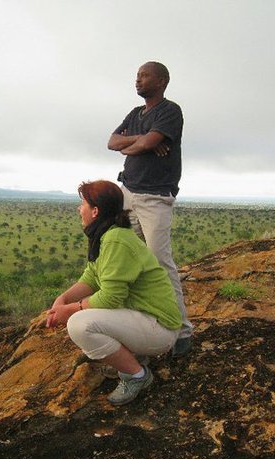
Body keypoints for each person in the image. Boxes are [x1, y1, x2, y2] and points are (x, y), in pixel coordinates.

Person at [46, 180, 182, 406]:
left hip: (159, 327)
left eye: (83, 204)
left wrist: (69, 311)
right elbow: (91, 276)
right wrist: (62, 300)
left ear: (95, 210)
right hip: (144, 317)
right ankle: (133, 356)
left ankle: (137, 376)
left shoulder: (116, 240)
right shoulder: (107, 235)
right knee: (83, 319)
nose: (80, 209)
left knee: (79, 325)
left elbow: (111, 297)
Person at [107, 61, 193, 357]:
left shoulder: (170, 111)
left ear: (162, 81)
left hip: (156, 197)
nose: (138, 80)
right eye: (137, 76)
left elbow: (147, 142)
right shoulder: (135, 114)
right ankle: (140, 325)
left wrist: (143, 143)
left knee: (159, 261)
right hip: (128, 193)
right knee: (128, 260)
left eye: (144, 76)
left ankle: (182, 330)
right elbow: (112, 142)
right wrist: (139, 141)